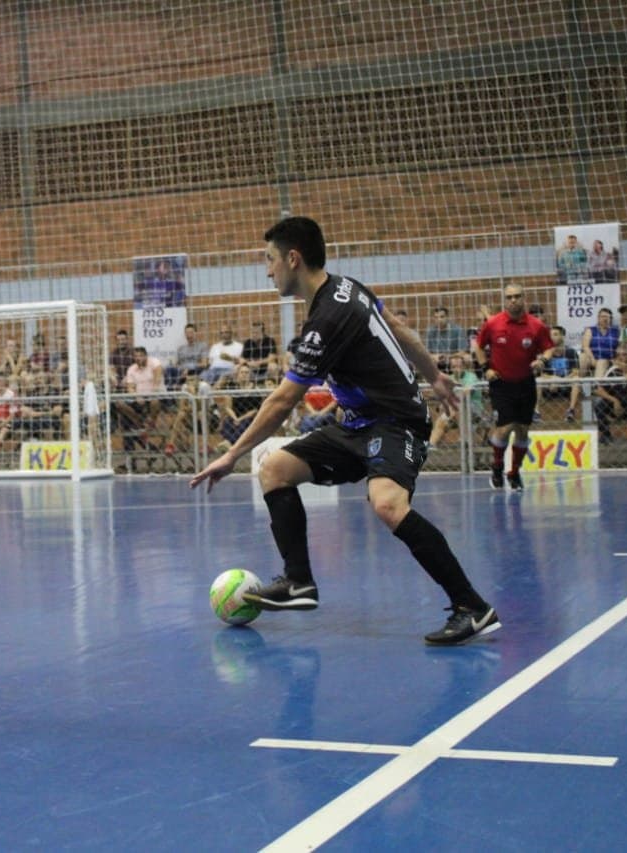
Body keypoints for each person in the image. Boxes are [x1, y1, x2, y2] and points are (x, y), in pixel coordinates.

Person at [190, 217, 498, 646]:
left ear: (293, 259)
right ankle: (298, 581)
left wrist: (230, 454)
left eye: (270, 260)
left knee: (388, 504)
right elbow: (398, 329)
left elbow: (281, 402)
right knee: (275, 468)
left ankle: (472, 607)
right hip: (356, 424)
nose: (267, 270)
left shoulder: (328, 319)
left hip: (396, 421)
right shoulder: (346, 286)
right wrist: (434, 374)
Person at [475, 284, 553, 491]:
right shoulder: (493, 323)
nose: (513, 300)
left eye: (517, 296)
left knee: (522, 431)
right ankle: (497, 466)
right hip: (501, 384)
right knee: (505, 428)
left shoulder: (536, 326)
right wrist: (486, 368)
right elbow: (478, 346)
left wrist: (542, 361)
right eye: (509, 297)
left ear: (523, 298)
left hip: (526, 383)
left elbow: (548, 349)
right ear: (505, 300)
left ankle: (514, 472)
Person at [592, 346, 627, 444]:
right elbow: (598, 390)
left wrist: (626, 372)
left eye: (624, 354)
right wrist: (614, 400)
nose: (621, 357)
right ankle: (606, 435)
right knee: (597, 401)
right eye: (618, 355)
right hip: (614, 405)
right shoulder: (612, 370)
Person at [538, 325, 583, 422]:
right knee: (537, 381)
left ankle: (571, 411)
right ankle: (536, 412)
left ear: (562, 336)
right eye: (550, 335)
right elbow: (542, 374)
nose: (552, 337)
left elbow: (575, 372)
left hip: (567, 385)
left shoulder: (571, 352)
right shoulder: (546, 353)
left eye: (555, 334)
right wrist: (553, 379)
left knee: (576, 379)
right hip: (550, 386)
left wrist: (561, 381)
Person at [580, 307, 619, 378]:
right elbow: (585, 346)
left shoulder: (615, 331)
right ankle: (579, 383)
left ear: (611, 319)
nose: (605, 319)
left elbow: (619, 347)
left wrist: (616, 359)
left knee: (601, 362)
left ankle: (597, 387)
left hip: (607, 359)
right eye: (603, 316)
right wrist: (592, 359)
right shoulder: (590, 330)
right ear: (598, 318)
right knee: (582, 357)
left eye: (608, 317)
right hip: (592, 358)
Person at [423, 306, 466, 371]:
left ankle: (458, 379)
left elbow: (462, 352)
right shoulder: (430, 331)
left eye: (442, 317)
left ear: (447, 317)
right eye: (436, 317)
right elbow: (426, 352)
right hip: (436, 359)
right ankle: (430, 380)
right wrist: (435, 356)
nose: (439, 320)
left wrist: (448, 357)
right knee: (426, 360)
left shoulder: (457, 330)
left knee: (464, 359)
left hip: (452, 358)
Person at [170, 322, 210, 388]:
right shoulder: (181, 348)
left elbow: (204, 364)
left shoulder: (202, 346)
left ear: (196, 333)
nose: (189, 335)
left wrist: (189, 368)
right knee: (169, 368)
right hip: (182, 372)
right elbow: (175, 364)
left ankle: (180, 385)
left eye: (191, 332)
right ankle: (170, 394)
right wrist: (182, 369)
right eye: (187, 333)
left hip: (196, 372)